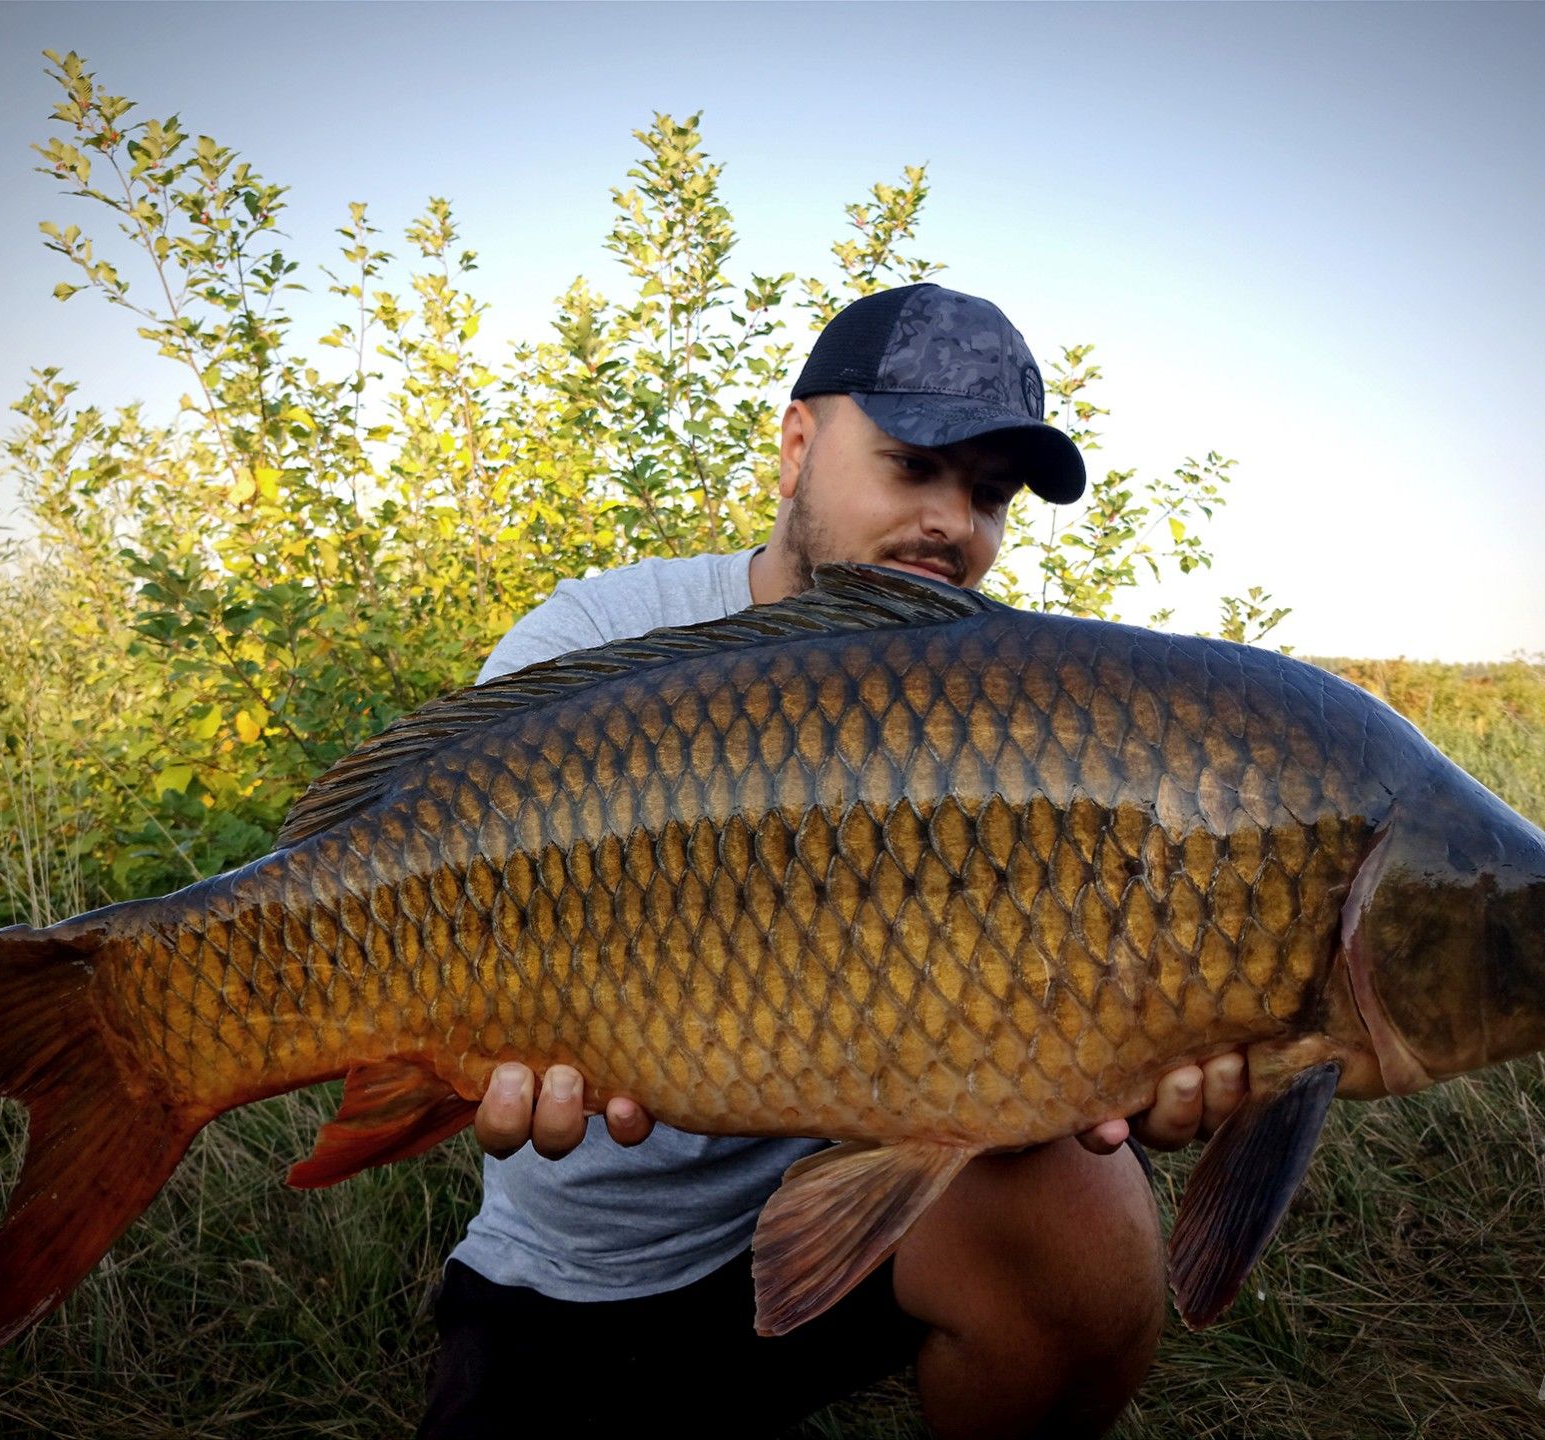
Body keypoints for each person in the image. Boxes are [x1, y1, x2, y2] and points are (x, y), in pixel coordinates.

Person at [419, 283, 1250, 1440]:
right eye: (912, 467)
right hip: (583, 1272)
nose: (954, 524)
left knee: (1081, 1203)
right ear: (799, 446)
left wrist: (1140, 1037)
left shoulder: (1015, 710)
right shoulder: (601, 643)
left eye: (989, 496)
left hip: (866, 1216)